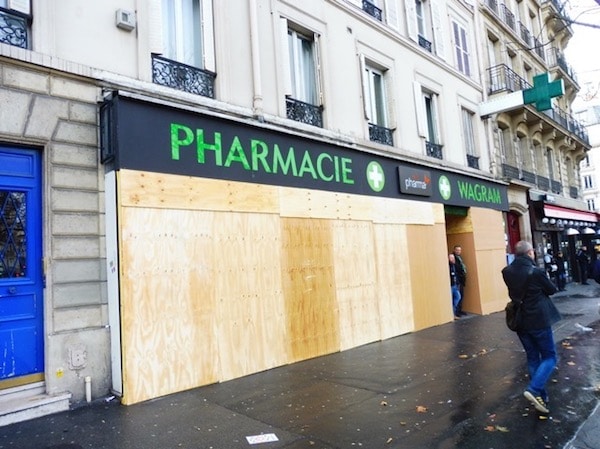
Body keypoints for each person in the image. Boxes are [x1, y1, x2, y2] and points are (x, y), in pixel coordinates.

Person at [502, 240, 561, 414]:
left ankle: (541, 397)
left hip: (520, 321)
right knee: (550, 356)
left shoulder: (506, 271)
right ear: (529, 253)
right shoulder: (536, 272)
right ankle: (534, 389)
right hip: (539, 320)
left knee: (533, 357)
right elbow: (551, 290)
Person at [453, 245, 467, 316]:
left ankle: (460, 310)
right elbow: (458, 268)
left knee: (461, 295)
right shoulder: (454, 258)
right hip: (457, 280)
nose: (458, 251)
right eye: (457, 250)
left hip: (461, 280)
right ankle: (456, 312)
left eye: (459, 250)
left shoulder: (460, 257)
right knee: (458, 296)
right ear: (454, 250)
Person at [448, 254, 461, 319]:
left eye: (453, 258)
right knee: (450, 299)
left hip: (456, 285)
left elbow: (459, 270)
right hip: (451, 285)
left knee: (458, 297)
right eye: (451, 258)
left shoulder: (455, 265)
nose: (452, 259)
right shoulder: (448, 266)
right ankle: (452, 314)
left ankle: (454, 311)